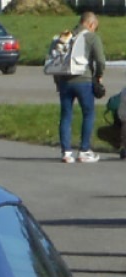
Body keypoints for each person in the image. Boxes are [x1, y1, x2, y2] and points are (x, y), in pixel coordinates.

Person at [48, 10, 107, 164]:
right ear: (91, 24)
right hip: (84, 80)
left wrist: (57, 82)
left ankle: (66, 152)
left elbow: (55, 59)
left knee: (66, 115)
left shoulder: (65, 36)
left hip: (64, 81)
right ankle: (84, 150)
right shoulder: (91, 37)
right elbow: (100, 60)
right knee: (88, 113)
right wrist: (99, 76)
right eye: (95, 27)